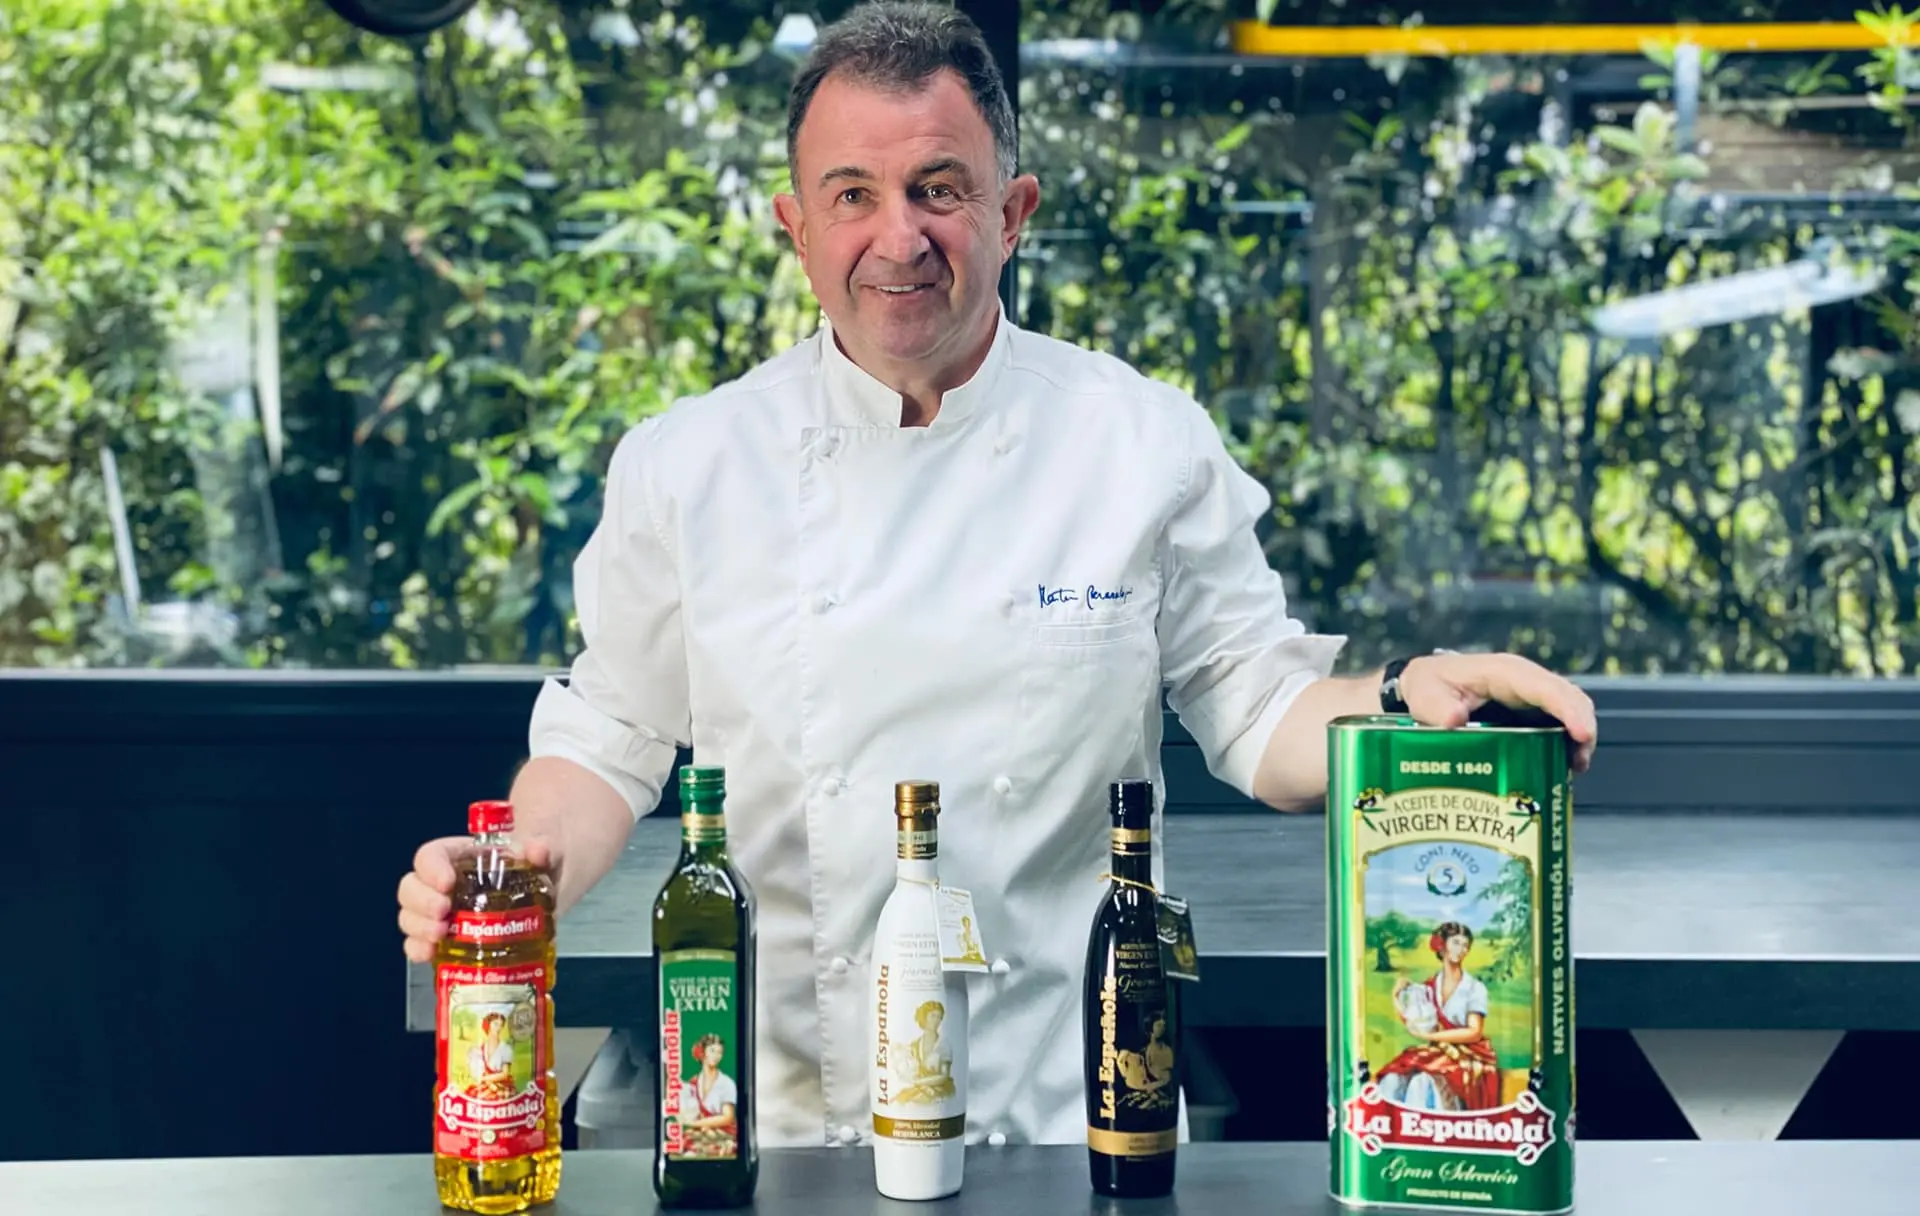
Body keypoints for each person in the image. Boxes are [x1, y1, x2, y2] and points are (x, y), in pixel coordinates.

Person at [395, 0, 1597, 1148]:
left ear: (1013, 211)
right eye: (852, 196)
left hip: (1069, 1116)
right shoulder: (690, 464)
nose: (898, 238)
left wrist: (1402, 700)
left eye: (940, 188)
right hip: (785, 1124)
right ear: (795, 228)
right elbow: (609, 736)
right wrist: (523, 869)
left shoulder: (1140, 443)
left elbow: (1258, 707)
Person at [1378, 922, 1501, 1111]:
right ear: (1442, 945)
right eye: (1456, 943)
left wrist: (1431, 1036)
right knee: (1393, 1077)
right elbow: (1415, 1022)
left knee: (1422, 1082)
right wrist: (1396, 996)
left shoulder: (1474, 988)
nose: (1461, 950)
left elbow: (1474, 1032)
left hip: (1469, 1055)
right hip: (1440, 1052)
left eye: (1465, 945)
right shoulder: (1430, 986)